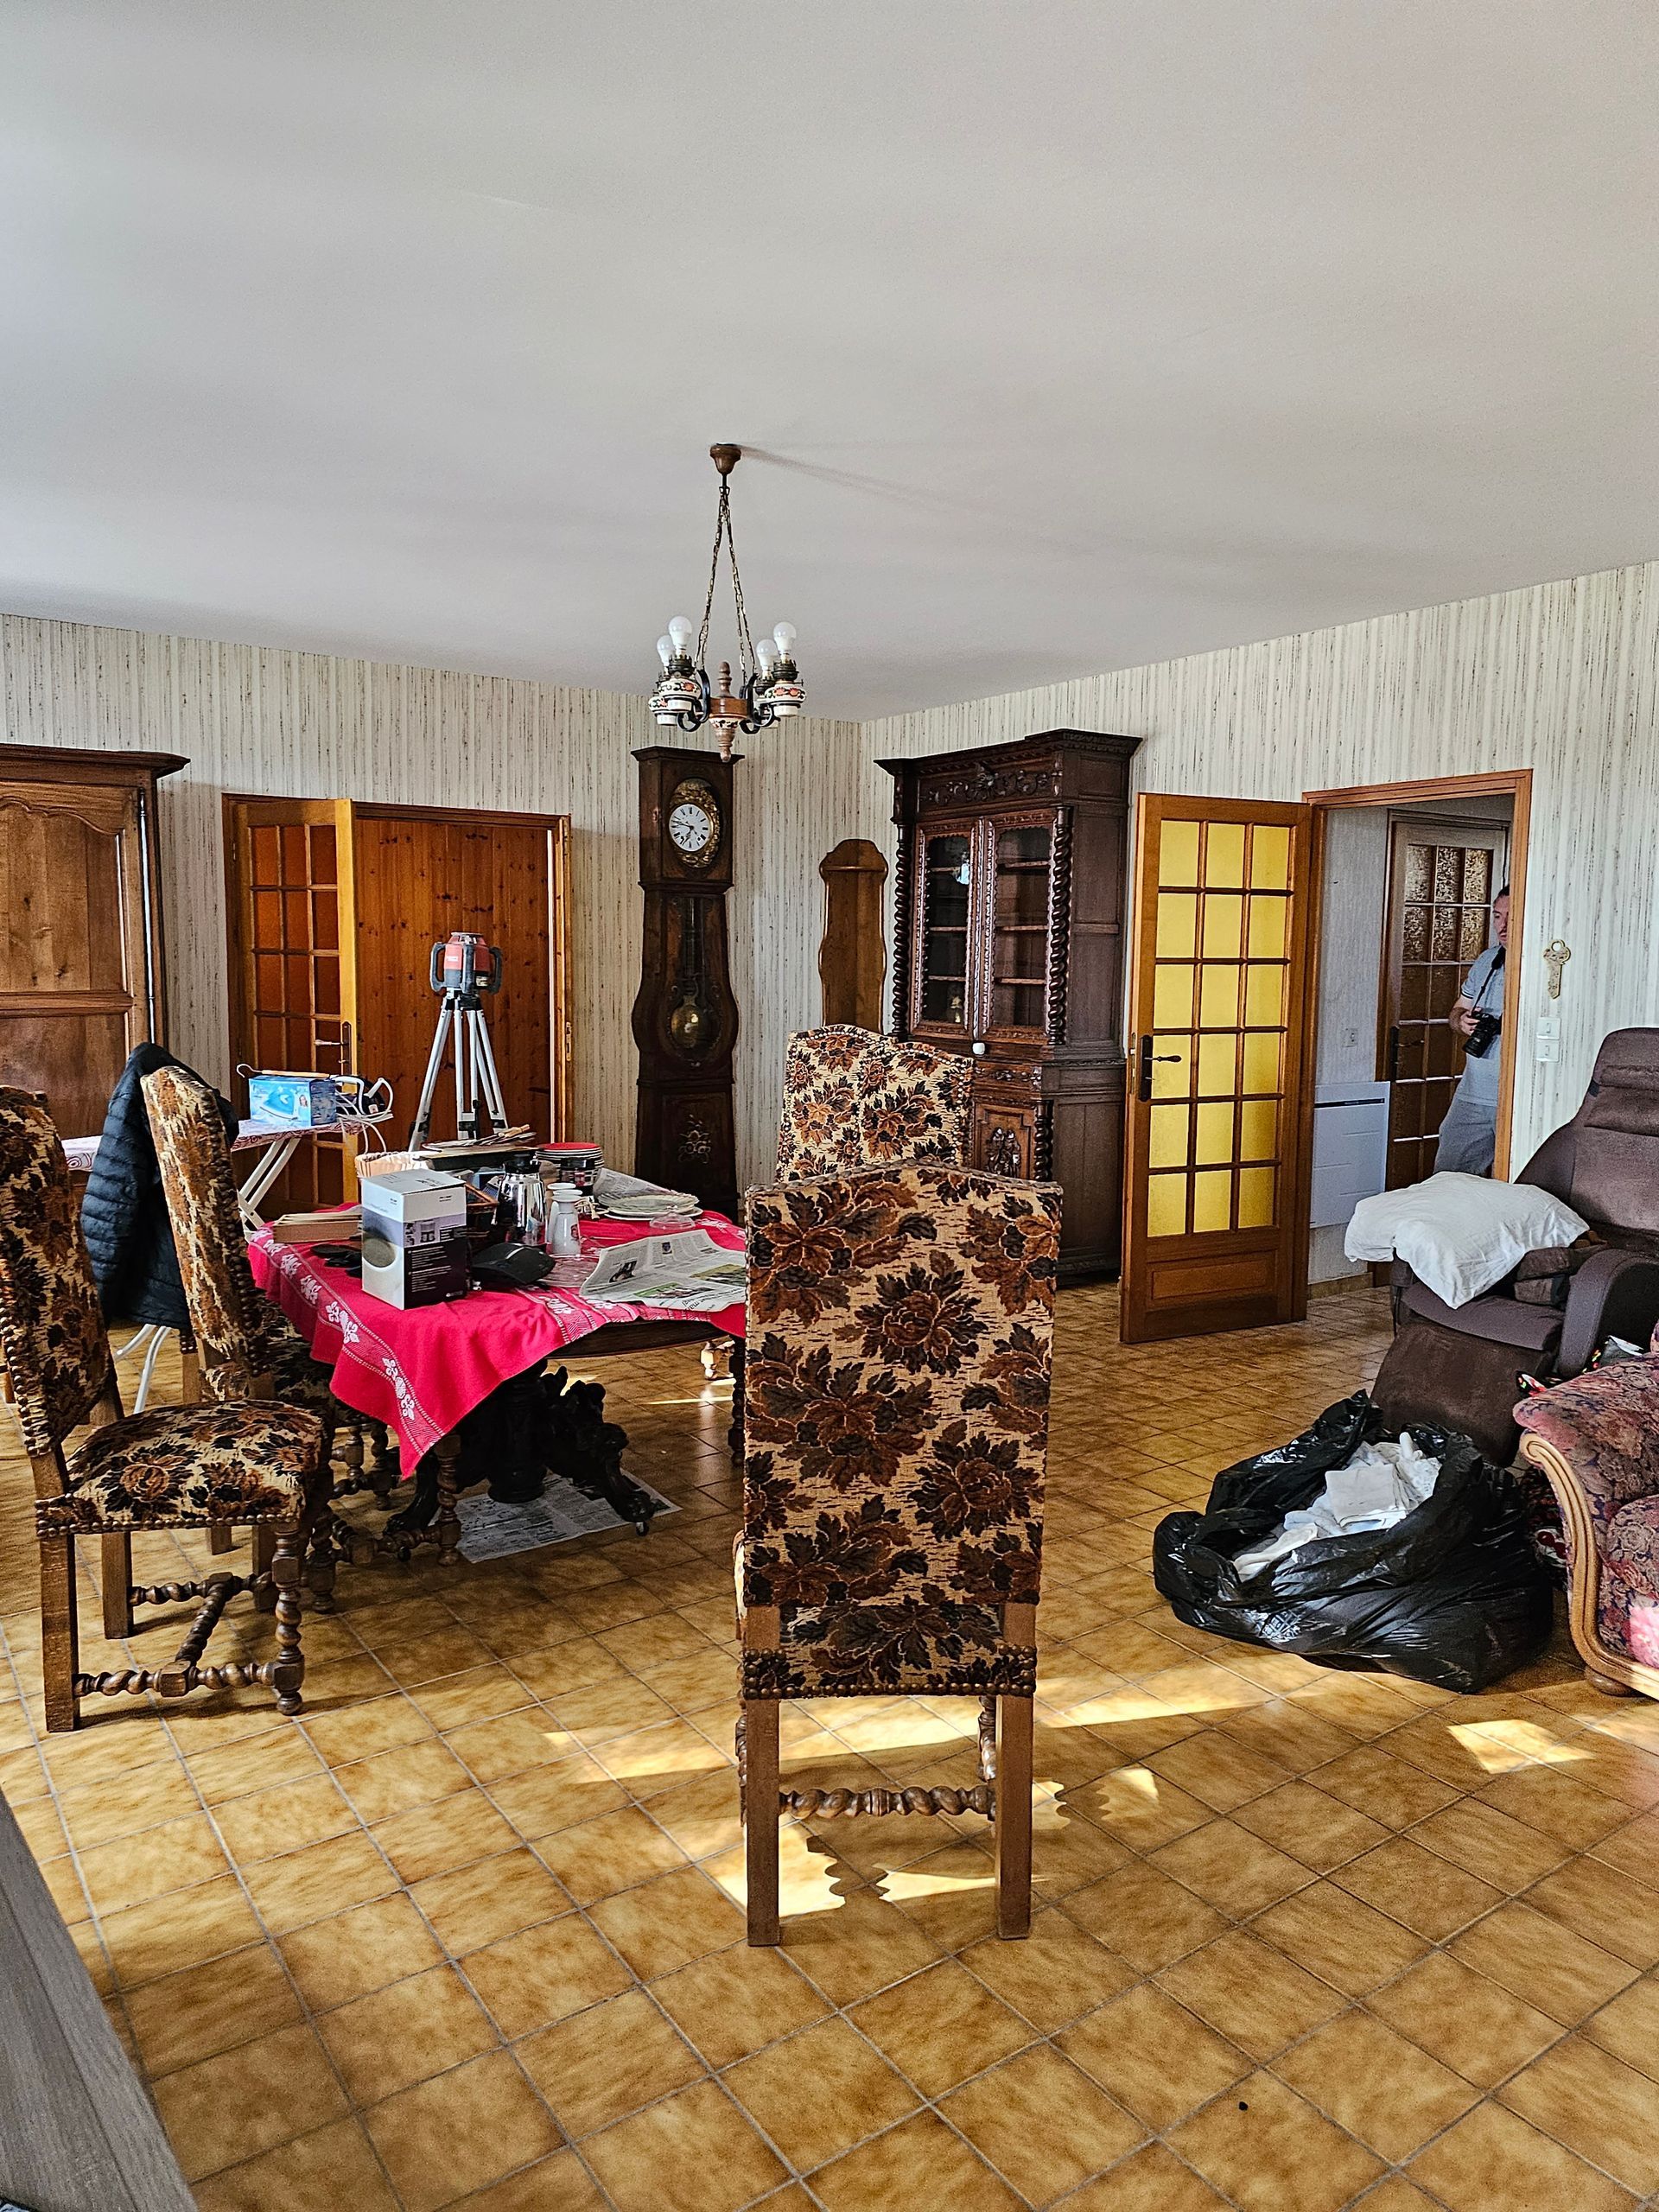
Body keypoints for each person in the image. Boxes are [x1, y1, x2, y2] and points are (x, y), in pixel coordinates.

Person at [1433, 885, 1509, 1176]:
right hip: (1474, 1092)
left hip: (1512, 1094)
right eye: (1497, 917)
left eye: (1510, 919)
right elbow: (1455, 1012)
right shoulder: (1487, 960)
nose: (1502, 927)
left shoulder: (1539, 965)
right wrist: (1461, 1021)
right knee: (1449, 1173)